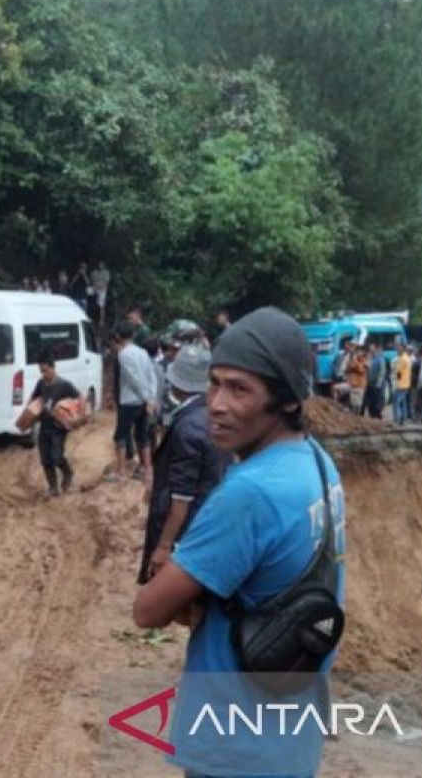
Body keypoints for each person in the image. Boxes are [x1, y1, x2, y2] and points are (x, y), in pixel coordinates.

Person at [133, 306, 346, 777]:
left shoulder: (250, 493)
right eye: (215, 383)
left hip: (233, 748)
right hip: (288, 737)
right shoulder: (315, 463)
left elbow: (147, 611)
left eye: (240, 389)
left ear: (287, 400)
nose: (217, 403)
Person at [138, 344, 230, 586]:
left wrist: (164, 546)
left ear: (177, 383)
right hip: (212, 514)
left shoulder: (187, 427)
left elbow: (181, 498)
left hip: (188, 526)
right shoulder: (216, 415)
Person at [109, 321, 158, 485]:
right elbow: (151, 376)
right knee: (142, 436)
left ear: (119, 337)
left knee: (121, 435)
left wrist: (145, 397)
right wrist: (150, 397)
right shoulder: (143, 352)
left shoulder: (123, 354)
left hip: (129, 401)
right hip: (143, 402)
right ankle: (147, 472)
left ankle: (121, 472)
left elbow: (133, 379)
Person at [28, 352, 80, 498]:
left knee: (56, 456)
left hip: (58, 429)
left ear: (53, 368)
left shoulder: (64, 385)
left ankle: (67, 472)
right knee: (45, 459)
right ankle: (53, 487)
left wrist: (70, 416)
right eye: (41, 371)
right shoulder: (41, 383)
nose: (43, 374)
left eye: (45, 370)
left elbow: (79, 399)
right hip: (44, 426)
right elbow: (34, 397)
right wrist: (29, 412)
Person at [364, 343, 386, 419]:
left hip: (377, 382)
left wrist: (379, 383)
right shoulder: (370, 358)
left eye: (372, 348)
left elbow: (382, 371)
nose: (371, 350)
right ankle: (372, 414)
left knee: (377, 399)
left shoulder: (380, 358)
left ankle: (378, 414)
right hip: (370, 382)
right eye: (370, 348)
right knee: (370, 400)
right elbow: (367, 368)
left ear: (375, 349)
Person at [392, 344, 412, 425]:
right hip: (404, 383)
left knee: (397, 401)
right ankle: (403, 418)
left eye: (399, 349)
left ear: (403, 350)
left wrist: (394, 368)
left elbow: (397, 370)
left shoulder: (403, 359)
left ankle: (399, 419)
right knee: (403, 402)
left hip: (401, 384)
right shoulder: (405, 358)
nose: (397, 351)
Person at [346, 345, 368, 414]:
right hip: (353, 384)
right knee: (352, 403)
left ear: (362, 352)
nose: (357, 353)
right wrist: (355, 364)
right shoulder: (353, 360)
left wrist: (356, 363)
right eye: (356, 351)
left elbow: (361, 370)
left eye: (359, 351)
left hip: (360, 385)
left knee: (358, 405)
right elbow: (349, 367)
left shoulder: (365, 360)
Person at [90, 261, 111, 326]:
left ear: (104, 265)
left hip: (102, 291)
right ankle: (92, 318)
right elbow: (92, 281)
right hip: (94, 290)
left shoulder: (106, 273)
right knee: (92, 304)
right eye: (99, 264)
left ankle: (101, 320)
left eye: (102, 265)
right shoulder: (94, 272)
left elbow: (106, 283)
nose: (100, 266)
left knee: (101, 306)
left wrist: (102, 288)